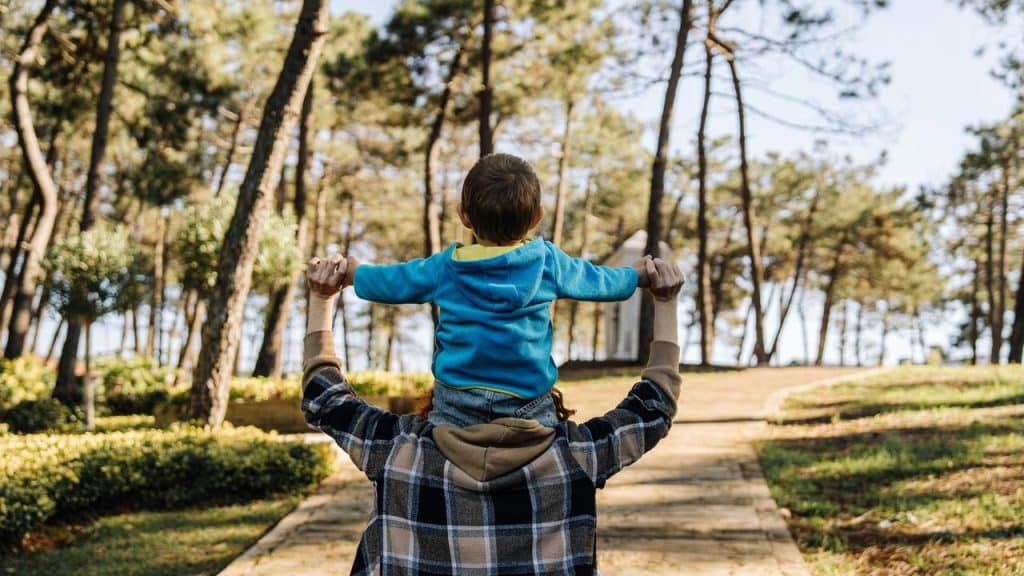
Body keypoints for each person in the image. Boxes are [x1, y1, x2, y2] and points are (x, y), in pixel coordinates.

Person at [303, 255, 684, 575]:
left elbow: (325, 396)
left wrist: (322, 298)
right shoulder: (577, 457)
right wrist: (665, 302)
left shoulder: (397, 452)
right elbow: (654, 407)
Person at [334, 153, 651, 427]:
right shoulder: (547, 262)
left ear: (464, 215)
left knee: (440, 441)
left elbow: (396, 282)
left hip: (456, 402)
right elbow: (600, 282)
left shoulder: (448, 267)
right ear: (537, 217)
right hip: (528, 403)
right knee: (546, 443)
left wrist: (355, 273)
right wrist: (636, 275)